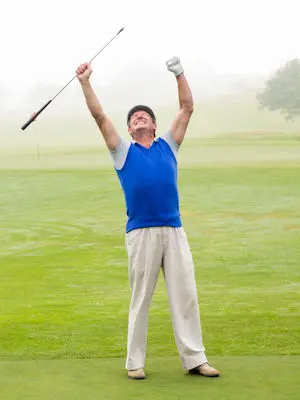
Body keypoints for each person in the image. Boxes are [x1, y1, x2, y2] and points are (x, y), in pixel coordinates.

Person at [76, 56, 220, 380]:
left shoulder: (169, 146)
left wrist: (179, 73)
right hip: (141, 232)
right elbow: (100, 117)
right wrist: (85, 83)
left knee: (185, 294)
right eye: (133, 118)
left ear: (154, 125)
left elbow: (187, 108)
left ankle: (195, 359)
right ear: (129, 129)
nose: (139, 118)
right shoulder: (123, 151)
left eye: (145, 116)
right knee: (140, 298)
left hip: (174, 229)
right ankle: (134, 363)